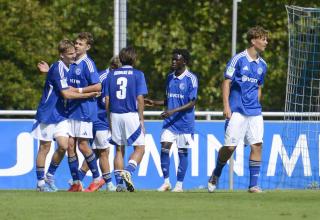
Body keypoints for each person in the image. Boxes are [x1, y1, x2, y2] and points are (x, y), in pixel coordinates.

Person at [32, 39, 99, 192]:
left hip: (61, 115)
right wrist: (88, 95)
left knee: (63, 146)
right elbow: (66, 94)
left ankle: (50, 175)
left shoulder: (66, 68)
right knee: (45, 147)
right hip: (48, 114)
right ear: (62, 55)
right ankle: (40, 183)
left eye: (74, 52)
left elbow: (68, 86)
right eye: (70, 53)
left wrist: (85, 91)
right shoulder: (58, 68)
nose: (74, 55)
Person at [207, 26, 268, 193]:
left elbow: (259, 86)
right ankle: (216, 172)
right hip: (237, 111)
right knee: (230, 147)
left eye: (266, 39)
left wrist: (256, 103)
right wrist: (226, 106)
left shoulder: (263, 65)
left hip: (254, 111)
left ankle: (253, 185)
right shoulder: (238, 59)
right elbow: (226, 82)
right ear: (253, 40)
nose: (266, 42)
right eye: (263, 39)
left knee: (257, 145)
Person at [145, 49, 198, 192]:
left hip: (185, 124)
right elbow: (168, 100)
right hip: (170, 123)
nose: (173, 62)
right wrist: (154, 103)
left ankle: (179, 185)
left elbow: (192, 103)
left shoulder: (191, 79)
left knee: (182, 153)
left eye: (177, 59)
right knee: (164, 148)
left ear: (184, 62)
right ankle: (166, 182)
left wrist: (172, 111)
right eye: (172, 59)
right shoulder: (169, 77)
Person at [74, 56, 122, 191]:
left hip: (111, 119)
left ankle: (77, 179)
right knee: (103, 151)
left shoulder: (117, 77)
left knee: (95, 151)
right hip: (99, 118)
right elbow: (93, 94)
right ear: (113, 67)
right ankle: (108, 184)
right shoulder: (102, 77)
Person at [104, 46, 148, 192]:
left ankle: (119, 184)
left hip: (115, 114)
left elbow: (107, 99)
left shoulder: (111, 75)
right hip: (130, 114)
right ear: (134, 59)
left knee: (119, 149)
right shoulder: (138, 74)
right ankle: (128, 171)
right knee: (140, 147)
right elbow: (140, 98)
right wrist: (141, 119)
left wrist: (109, 117)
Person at [66, 32, 103, 192]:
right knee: (69, 145)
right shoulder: (71, 62)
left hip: (85, 110)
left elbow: (98, 86)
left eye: (80, 44)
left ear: (87, 47)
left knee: (83, 145)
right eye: (76, 43)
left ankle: (97, 178)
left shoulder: (88, 64)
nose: (76, 45)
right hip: (71, 110)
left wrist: (79, 90)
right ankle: (76, 182)